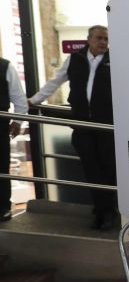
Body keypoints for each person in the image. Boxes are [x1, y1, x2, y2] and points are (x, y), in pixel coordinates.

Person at [29, 25, 117, 230]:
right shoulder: (75, 59)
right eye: (99, 38)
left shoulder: (114, 59)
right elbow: (55, 82)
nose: (103, 42)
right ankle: (101, 210)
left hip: (106, 127)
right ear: (89, 39)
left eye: (106, 39)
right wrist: (34, 100)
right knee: (91, 170)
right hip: (82, 125)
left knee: (108, 170)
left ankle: (109, 212)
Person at [0, 59, 28, 221]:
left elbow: (20, 100)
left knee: (1, 166)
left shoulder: (4, 66)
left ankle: (3, 207)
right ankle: (2, 207)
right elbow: (20, 100)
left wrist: (17, 121)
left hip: (1, 124)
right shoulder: (4, 66)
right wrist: (17, 121)